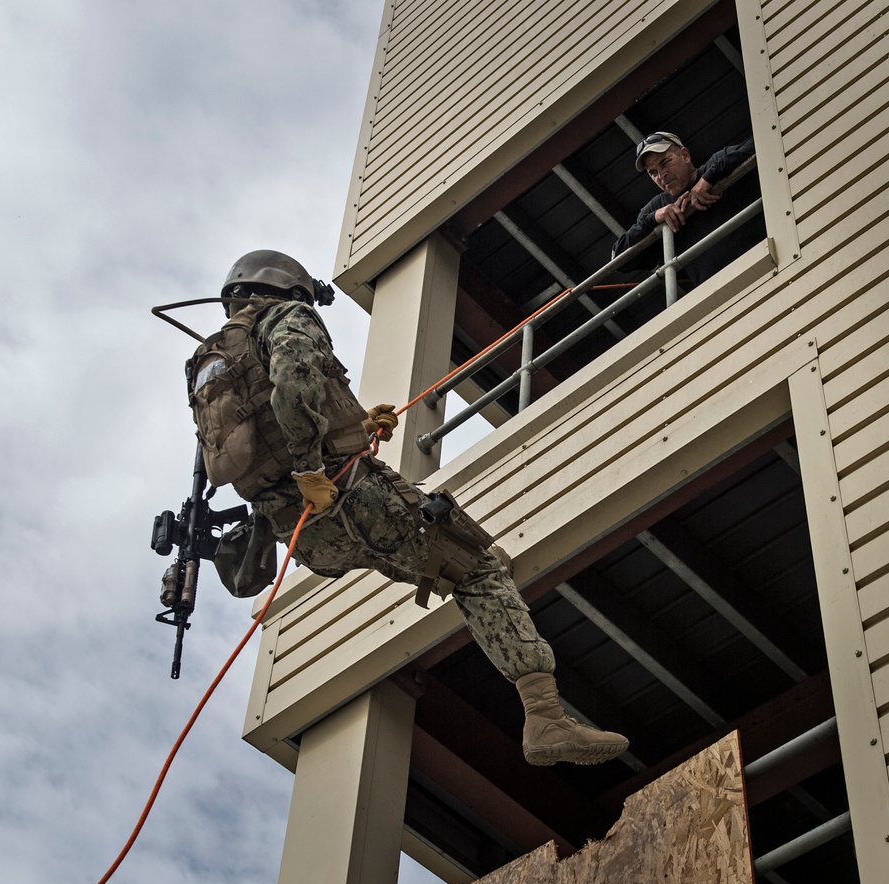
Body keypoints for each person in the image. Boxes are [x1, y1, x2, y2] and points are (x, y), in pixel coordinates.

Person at [192, 250, 629, 768]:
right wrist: (312, 467)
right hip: (342, 496)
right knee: (479, 568)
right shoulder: (285, 318)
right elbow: (294, 381)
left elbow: (254, 445)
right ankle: (546, 718)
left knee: (443, 560)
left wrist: (353, 427)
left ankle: (542, 711)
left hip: (309, 537)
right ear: (290, 291)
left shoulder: (211, 363)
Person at [611, 131, 764, 288]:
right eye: (653, 172)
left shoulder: (717, 163)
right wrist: (653, 219)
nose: (661, 175)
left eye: (665, 163)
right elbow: (619, 261)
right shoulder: (657, 207)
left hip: (768, 261)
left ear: (685, 156)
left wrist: (710, 178)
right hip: (718, 293)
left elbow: (764, 137)